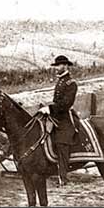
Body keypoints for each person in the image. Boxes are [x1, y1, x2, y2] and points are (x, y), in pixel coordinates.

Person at [39, 55, 79, 186]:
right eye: (56, 65)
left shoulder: (71, 83)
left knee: (62, 142)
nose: (57, 68)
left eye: (59, 65)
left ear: (66, 66)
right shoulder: (61, 81)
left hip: (65, 118)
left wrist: (50, 108)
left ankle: (63, 176)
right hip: (56, 115)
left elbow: (66, 104)